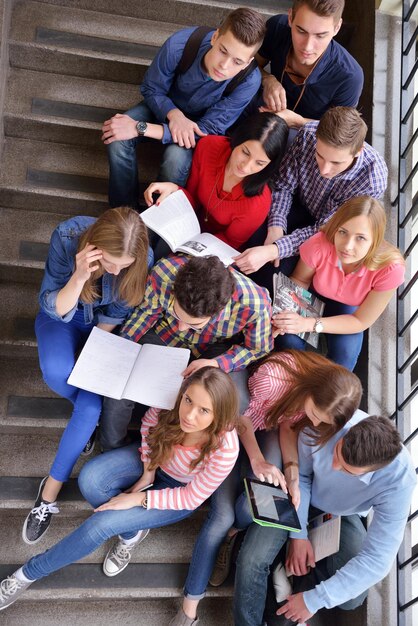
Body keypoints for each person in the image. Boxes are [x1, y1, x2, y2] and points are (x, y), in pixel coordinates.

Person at [0, 367, 240, 626]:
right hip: (154, 462)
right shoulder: (171, 399)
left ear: (219, 414)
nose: (189, 415)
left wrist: (137, 499)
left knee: (101, 524)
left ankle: (27, 574)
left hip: (179, 493)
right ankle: (130, 533)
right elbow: (149, 426)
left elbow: (191, 498)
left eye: (204, 410)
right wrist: (148, 472)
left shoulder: (226, 448)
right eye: (188, 400)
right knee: (90, 479)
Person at [22, 208, 153, 545]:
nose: (115, 270)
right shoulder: (68, 237)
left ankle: (49, 492)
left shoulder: (141, 257)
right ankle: (85, 424)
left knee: (91, 408)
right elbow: (53, 306)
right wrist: (80, 276)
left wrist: (92, 352)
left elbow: (117, 313)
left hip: (101, 329)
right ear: (93, 246)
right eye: (110, 262)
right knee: (58, 373)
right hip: (62, 315)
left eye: (123, 266)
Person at [233, 413, 416, 626]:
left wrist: (313, 600)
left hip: (340, 515)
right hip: (294, 493)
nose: (334, 466)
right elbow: (300, 476)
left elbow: (377, 561)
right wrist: (298, 535)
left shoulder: (400, 481)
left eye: (347, 470)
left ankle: (289, 577)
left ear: (373, 471)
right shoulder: (329, 418)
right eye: (337, 451)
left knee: (353, 598)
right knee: (252, 559)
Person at [208, 350, 362, 588]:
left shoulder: (320, 399)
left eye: (323, 422)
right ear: (311, 390)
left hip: (270, 425)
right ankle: (224, 534)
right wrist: (257, 460)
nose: (316, 424)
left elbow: (289, 425)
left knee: (264, 497)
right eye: (315, 416)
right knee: (226, 511)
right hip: (236, 427)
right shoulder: (273, 378)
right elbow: (240, 417)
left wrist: (292, 475)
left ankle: (232, 533)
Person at [99, 254, 273, 452]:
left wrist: (217, 363)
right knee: (119, 388)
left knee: (235, 400)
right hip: (163, 334)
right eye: (176, 313)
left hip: (214, 349)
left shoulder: (255, 304)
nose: (182, 327)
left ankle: (183, 453)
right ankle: (112, 450)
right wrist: (125, 346)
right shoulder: (164, 273)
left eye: (192, 324)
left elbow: (259, 348)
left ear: (218, 311)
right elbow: (146, 313)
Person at [102, 8, 266, 210]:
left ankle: (155, 224)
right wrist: (174, 114)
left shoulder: (249, 81)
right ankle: (122, 215)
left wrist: (140, 128)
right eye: (223, 51)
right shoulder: (181, 44)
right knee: (117, 138)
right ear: (215, 37)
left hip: (197, 130)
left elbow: (207, 131)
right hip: (162, 107)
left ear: (248, 62)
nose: (224, 65)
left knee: (176, 160)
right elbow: (152, 88)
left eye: (237, 61)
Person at [234, 106, 388, 283]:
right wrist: (276, 226)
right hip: (296, 205)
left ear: (358, 151)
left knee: (276, 274)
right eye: (320, 156)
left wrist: (276, 249)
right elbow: (284, 185)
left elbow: (328, 229)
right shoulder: (307, 135)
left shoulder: (372, 179)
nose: (324, 169)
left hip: (332, 234)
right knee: (251, 242)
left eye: (336, 162)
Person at [273, 196, 405, 371]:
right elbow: (300, 279)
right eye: (343, 232)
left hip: (349, 310)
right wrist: (288, 313)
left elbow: (361, 321)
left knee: (344, 358)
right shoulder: (320, 243)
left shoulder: (390, 268)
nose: (347, 246)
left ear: (375, 240)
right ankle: (295, 376)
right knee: (287, 338)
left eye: (361, 238)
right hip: (313, 294)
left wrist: (310, 324)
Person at [144, 112, 289, 251]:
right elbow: (192, 200)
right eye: (245, 152)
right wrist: (175, 189)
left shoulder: (259, 201)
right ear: (238, 139)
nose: (246, 166)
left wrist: (192, 247)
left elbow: (230, 242)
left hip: (214, 248)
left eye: (260, 163)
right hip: (187, 222)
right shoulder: (209, 146)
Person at [253, 0, 363, 129]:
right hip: (262, 108)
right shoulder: (277, 26)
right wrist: (267, 79)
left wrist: (299, 122)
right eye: (301, 31)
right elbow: (250, 64)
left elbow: (340, 129)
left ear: (337, 28)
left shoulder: (350, 76)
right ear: (290, 18)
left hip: (309, 133)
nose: (307, 47)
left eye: (320, 36)